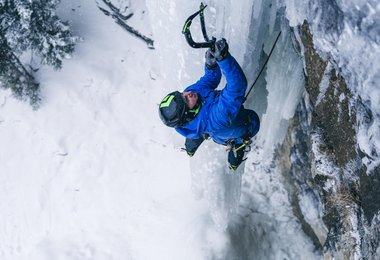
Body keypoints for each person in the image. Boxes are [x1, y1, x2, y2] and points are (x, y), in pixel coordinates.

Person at [158, 39, 260, 170]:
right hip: (237, 127)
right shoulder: (216, 119)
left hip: (208, 116)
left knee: (200, 130)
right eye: (186, 101)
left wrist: (211, 65)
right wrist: (224, 59)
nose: (188, 94)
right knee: (250, 123)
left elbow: (209, 80)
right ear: (189, 114)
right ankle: (236, 150)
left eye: (182, 94)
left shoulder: (191, 93)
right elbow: (236, 88)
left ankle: (196, 135)